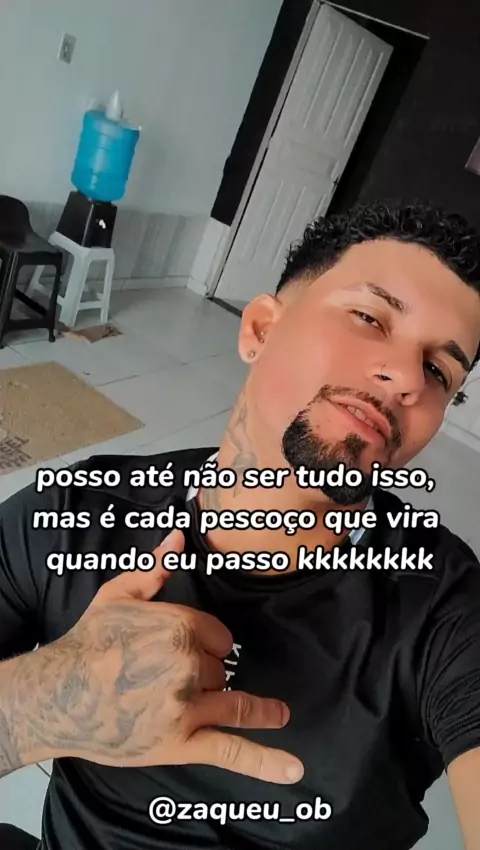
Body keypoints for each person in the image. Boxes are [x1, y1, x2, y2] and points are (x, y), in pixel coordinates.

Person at [1, 200, 480, 850]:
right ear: (260, 328)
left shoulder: (446, 607)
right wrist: (45, 703)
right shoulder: (77, 514)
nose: (404, 379)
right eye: (370, 317)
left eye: (439, 371)